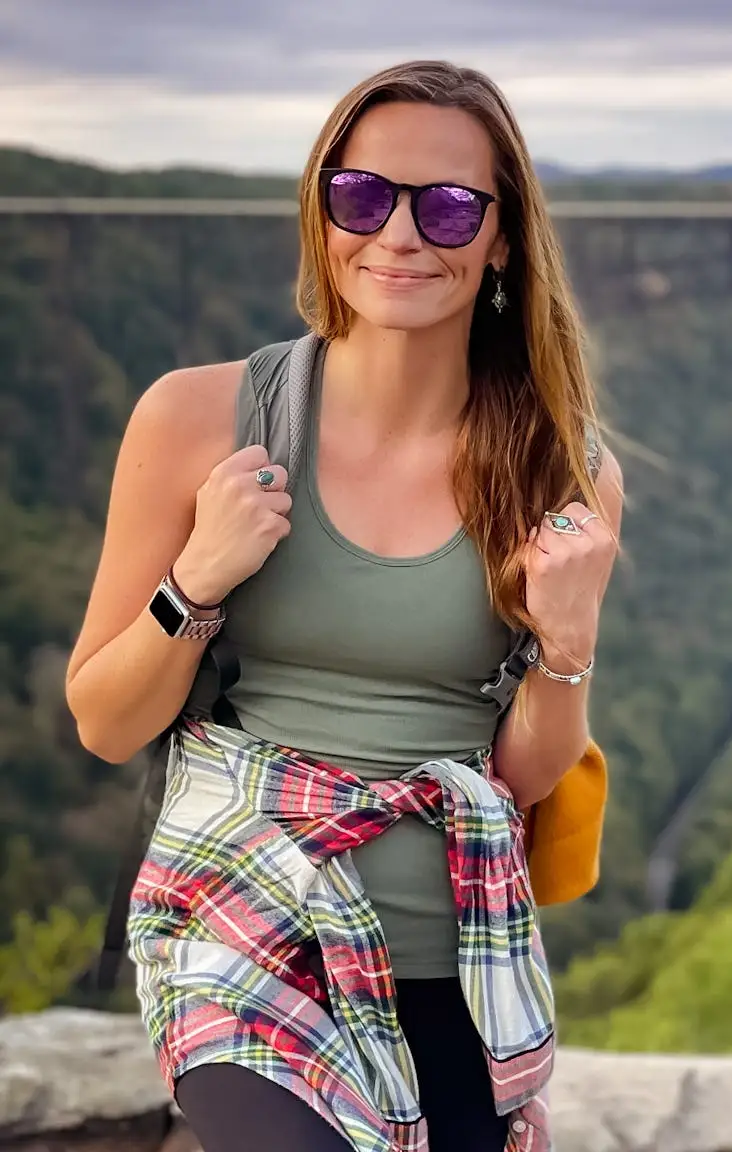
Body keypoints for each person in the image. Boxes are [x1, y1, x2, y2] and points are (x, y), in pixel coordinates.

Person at [63, 59, 623, 1152]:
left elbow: (526, 778)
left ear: (503, 238)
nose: (400, 235)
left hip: (455, 954)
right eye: (361, 195)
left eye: (449, 206)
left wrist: (568, 642)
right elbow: (106, 720)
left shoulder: (565, 472)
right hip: (242, 922)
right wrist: (198, 584)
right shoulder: (196, 419)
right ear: (323, 213)